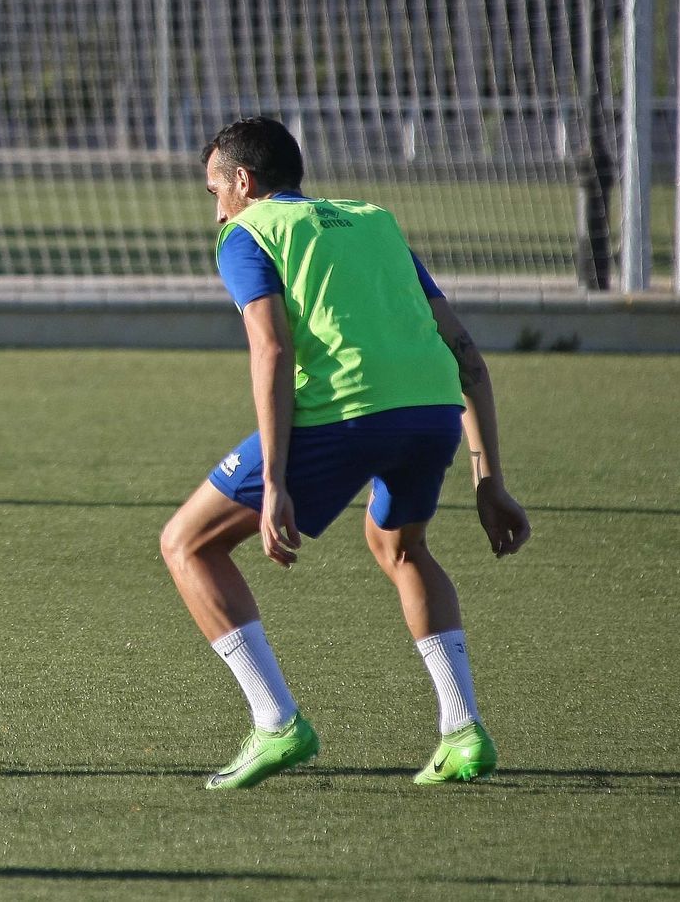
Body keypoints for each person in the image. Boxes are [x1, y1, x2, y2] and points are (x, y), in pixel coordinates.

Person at [160, 116, 531, 790]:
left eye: (216, 190)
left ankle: (276, 722)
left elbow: (271, 350)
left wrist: (274, 481)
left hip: (345, 417)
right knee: (400, 546)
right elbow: (463, 350)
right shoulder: (374, 220)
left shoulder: (248, 234)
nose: (215, 209)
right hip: (431, 413)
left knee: (187, 543)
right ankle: (463, 730)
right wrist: (490, 477)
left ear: (243, 183)